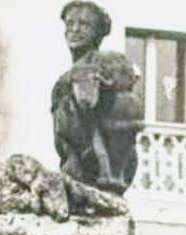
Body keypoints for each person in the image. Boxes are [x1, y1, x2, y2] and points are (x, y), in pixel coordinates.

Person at [51, 1, 143, 193]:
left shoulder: (110, 62)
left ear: (98, 32)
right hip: (74, 161)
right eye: (70, 24)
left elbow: (117, 104)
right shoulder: (64, 80)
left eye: (84, 25)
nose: (74, 30)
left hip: (105, 169)